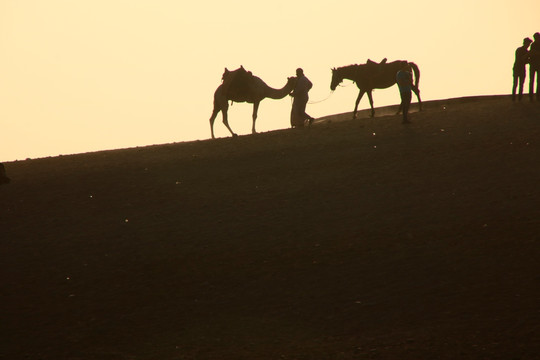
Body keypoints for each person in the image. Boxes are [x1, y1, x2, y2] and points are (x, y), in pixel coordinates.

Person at [512, 37, 532, 101]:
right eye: (528, 44)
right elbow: (521, 59)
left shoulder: (526, 51)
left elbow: (526, 61)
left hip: (522, 69)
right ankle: (514, 98)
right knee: (516, 84)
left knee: (521, 84)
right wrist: (527, 55)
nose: (528, 45)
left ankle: (519, 98)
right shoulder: (519, 50)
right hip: (517, 68)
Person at [529, 32, 540, 101]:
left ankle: (535, 96)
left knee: (535, 81)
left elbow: (532, 53)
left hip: (535, 65)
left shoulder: (533, 45)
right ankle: (534, 96)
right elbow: (531, 53)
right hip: (535, 65)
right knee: (534, 81)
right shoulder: (533, 45)